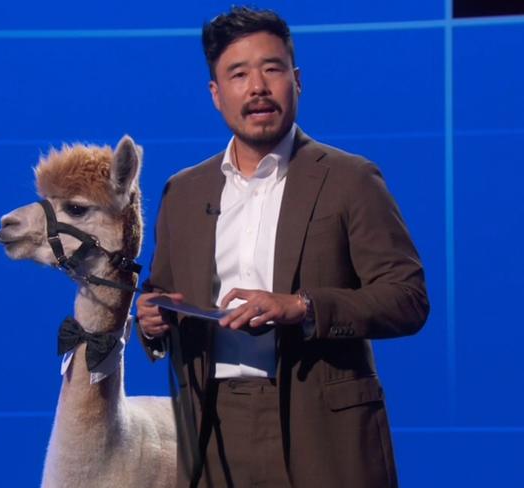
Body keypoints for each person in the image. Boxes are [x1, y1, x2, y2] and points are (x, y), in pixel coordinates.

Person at [136, 6, 429, 488]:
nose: (257, 87)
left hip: (321, 426)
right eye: (238, 74)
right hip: (212, 427)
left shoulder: (351, 179)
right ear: (216, 94)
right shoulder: (182, 192)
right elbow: (163, 294)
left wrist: (301, 306)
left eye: (272, 69)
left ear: (296, 80)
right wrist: (152, 320)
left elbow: (408, 298)